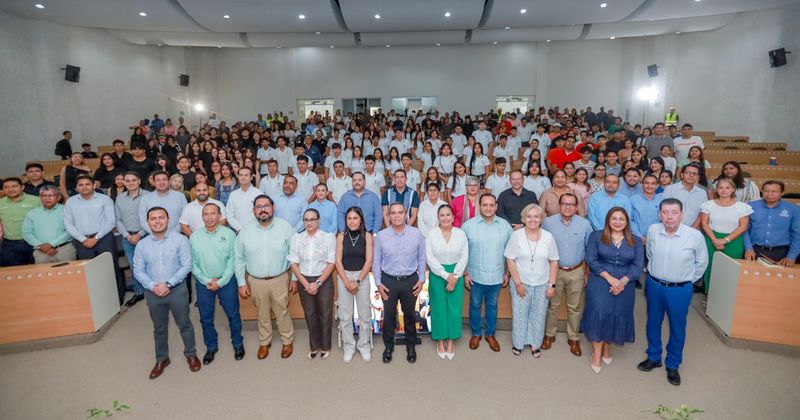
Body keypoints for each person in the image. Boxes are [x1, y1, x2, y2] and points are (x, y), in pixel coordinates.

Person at [639, 198, 708, 386]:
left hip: (680, 289)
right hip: (654, 285)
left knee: (677, 327)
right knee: (653, 322)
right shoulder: (653, 230)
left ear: (682, 214)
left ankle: (673, 364)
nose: (669, 217)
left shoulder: (694, 236)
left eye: (674, 212)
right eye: (665, 212)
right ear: (660, 214)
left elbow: (701, 263)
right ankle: (654, 356)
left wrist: (686, 280)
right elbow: (650, 255)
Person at [134, 207, 200, 379]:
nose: (157, 221)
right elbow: (138, 270)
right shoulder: (142, 245)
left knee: (184, 324)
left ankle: (191, 354)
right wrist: (153, 286)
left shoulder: (180, 240)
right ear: (148, 222)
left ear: (168, 219)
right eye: (153, 219)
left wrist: (168, 284)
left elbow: (187, 265)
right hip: (153, 292)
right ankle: (162, 359)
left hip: (177, 290)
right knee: (159, 328)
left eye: (161, 218)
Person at [583, 208, 644, 373]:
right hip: (600, 280)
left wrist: (622, 282)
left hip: (626, 283)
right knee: (599, 313)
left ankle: (608, 347)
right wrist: (610, 279)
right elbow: (591, 259)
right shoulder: (596, 236)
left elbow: (638, 266)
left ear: (626, 222)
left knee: (617, 314)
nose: (617, 222)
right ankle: (596, 353)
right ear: (608, 220)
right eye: (614, 219)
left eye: (621, 219)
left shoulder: (636, 240)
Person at [234, 195, 295, 360]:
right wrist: (241, 283)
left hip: (280, 278)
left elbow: (294, 255)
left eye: (266, 206)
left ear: (273, 208)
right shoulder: (245, 231)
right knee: (261, 313)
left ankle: (287, 341)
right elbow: (239, 259)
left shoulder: (285, 227)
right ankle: (265, 341)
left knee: (282, 311)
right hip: (255, 281)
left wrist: (294, 279)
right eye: (258, 207)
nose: (262, 209)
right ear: (254, 211)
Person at [372, 203, 427, 364]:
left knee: (410, 315)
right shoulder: (381, 236)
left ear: (406, 215)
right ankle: (388, 347)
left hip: (410, 280)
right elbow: (377, 261)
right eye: (393, 213)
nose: (396, 216)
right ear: (388, 216)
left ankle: (411, 346)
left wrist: (421, 279)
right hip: (388, 280)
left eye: (400, 213)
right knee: (388, 317)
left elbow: (422, 258)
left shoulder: (416, 234)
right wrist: (378, 283)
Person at [540, 193, 593, 356]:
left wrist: (587, 273)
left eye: (571, 204)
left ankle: (574, 337)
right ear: (559, 205)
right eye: (564, 204)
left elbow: (590, 251)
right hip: (554, 271)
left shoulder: (585, 225)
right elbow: (542, 247)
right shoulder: (548, 223)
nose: (568, 207)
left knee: (575, 307)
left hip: (576, 271)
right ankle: (549, 335)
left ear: (577, 207)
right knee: (552, 306)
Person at [504, 204, 559, 357]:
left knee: (539, 314)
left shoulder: (548, 237)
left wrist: (551, 285)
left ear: (541, 219)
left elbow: (554, 261)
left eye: (536, 216)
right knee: (520, 314)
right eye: (529, 216)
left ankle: (535, 343)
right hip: (521, 282)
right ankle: (518, 343)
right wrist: (518, 283)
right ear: (523, 219)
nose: (533, 219)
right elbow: (510, 259)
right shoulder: (516, 235)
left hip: (542, 283)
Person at [461, 193, 513, 352]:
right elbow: (462, 251)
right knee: (475, 305)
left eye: (491, 205)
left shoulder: (505, 226)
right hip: (475, 275)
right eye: (485, 205)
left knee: (492, 306)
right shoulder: (468, 226)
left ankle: (490, 334)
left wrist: (507, 273)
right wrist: (465, 273)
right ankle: (476, 333)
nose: (488, 208)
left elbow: (510, 252)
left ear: (496, 206)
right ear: (479, 206)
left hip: (497, 275)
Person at [63, 174, 125, 304]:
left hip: (103, 238)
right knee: (89, 271)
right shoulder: (71, 201)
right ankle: (96, 300)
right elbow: (68, 223)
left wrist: (96, 238)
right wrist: (82, 238)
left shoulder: (104, 199)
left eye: (87, 184)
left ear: (94, 185)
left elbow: (111, 221)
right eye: (81, 185)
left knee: (110, 268)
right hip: (82, 241)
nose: (84, 187)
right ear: (76, 187)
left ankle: (117, 298)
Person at [288, 209, 337, 360]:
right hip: (304, 280)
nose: (309, 223)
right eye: (306, 220)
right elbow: (294, 263)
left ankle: (325, 345)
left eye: (312, 219)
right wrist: (305, 283)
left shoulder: (327, 237)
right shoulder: (297, 238)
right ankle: (314, 346)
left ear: (319, 221)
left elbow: (331, 262)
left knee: (325, 313)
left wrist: (317, 283)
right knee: (309, 314)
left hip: (323, 279)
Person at [426, 205, 468, 360]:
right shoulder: (432, 234)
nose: (445, 218)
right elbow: (430, 258)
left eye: (448, 215)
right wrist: (446, 276)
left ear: (452, 216)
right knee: (439, 307)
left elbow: (464, 256)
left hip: (456, 273)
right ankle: (440, 339)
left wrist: (455, 277)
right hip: (438, 274)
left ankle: (451, 340)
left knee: (454, 308)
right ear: (438, 217)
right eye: (442, 215)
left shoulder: (460, 234)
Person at [700, 178, 752, 295]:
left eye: (727, 188)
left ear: (733, 189)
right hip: (711, 238)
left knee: (730, 270)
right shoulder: (708, 204)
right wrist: (714, 239)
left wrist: (725, 240)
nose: (724, 190)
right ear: (717, 190)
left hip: (733, 240)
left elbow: (743, 227)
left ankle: (728, 299)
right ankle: (710, 297)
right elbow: (704, 223)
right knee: (711, 269)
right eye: (721, 188)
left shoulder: (742, 207)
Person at [335, 207, 374, 363]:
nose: (352, 221)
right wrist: (346, 281)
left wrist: (357, 281)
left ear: (361, 219)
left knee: (365, 316)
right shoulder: (341, 236)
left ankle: (363, 345)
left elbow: (369, 261)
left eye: (355, 218)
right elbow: (337, 261)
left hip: (362, 277)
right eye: (349, 218)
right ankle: (349, 346)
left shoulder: (368, 236)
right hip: (343, 276)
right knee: (345, 316)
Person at [743, 181, 800, 266]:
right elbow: (744, 229)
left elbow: (797, 234)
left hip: (781, 252)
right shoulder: (751, 206)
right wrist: (748, 248)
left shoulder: (793, 209)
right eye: (766, 191)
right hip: (754, 250)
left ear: (782, 193)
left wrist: (791, 256)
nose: (769, 194)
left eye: (774, 191)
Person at [116, 171, 149, 307]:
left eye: (133, 180)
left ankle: (153, 292)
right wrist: (127, 235)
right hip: (127, 237)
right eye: (127, 180)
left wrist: (139, 234)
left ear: (139, 181)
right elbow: (117, 219)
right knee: (134, 266)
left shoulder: (148, 196)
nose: (131, 183)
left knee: (150, 265)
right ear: (124, 182)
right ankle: (139, 292)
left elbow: (151, 218)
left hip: (146, 236)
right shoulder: (120, 198)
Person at [22, 185, 75, 264]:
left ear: (58, 197)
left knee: (69, 275)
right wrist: (40, 246)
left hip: (64, 250)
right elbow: (26, 233)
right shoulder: (32, 213)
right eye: (43, 196)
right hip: (41, 251)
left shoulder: (67, 210)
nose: (47, 198)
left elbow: (70, 231)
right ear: (40, 197)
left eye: (51, 195)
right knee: (43, 275)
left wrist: (51, 244)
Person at [0, 178, 40, 266]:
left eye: (14, 186)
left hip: (34, 243)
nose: (11, 189)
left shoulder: (36, 201)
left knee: (38, 272)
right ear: (3, 189)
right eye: (6, 187)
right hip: (9, 245)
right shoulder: (0, 203)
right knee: (13, 274)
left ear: (22, 187)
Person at [662, 163, 707, 228]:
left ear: (698, 177)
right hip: (671, 228)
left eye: (694, 174)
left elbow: (702, 213)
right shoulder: (670, 189)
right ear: (682, 175)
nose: (691, 175)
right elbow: (664, 210)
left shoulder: (702, 193)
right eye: (688, 173)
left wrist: (692, 229)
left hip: (693, 231)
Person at [225, 167, 262, 232]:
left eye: (246, 175)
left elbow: (262, 213)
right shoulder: (233, 194)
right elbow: (229, 214)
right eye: (241, 175)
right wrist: (239, 228)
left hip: (256, 230)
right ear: (238, 177)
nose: (243, 177)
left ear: (251, 177)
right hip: (238, 231)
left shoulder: (258, 193)